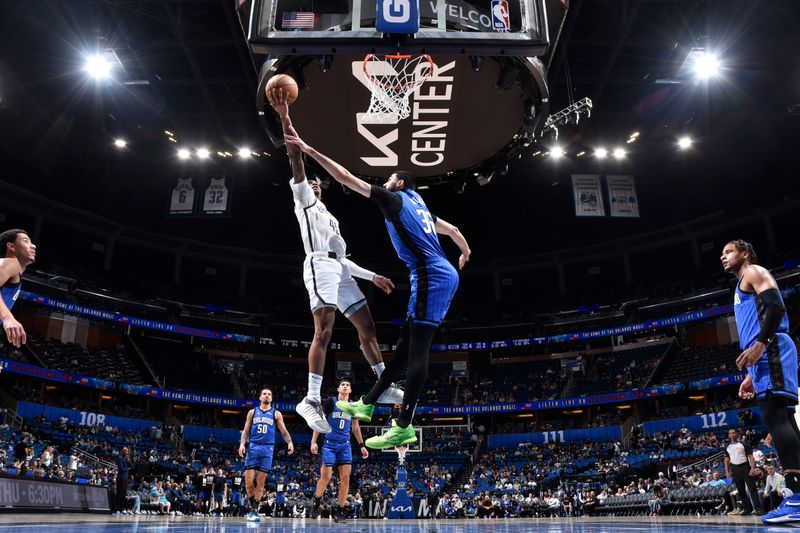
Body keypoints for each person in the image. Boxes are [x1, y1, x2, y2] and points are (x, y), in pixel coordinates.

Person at [284, 123, 471, 449]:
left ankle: (402, 422)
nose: (384, 184)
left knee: (408, 344)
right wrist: (465, 250)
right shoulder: (420, 205)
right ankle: (356, 399)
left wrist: (309, 148)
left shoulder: (390, 200)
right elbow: (453, 229)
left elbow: (346, 178)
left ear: (398, 183)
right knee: (397, 342)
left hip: (427, 274)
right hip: (415, 271)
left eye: (388, 180)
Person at [267, 89, 403, 435]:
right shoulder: (304, 203)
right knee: (324, 330)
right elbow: (296, 160)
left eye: (316, 183)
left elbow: (344, 260)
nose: (312, 183)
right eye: (308, 182)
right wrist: (285, 117)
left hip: (338, 269)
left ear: (322, 190)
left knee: (367, 328)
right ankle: (311, 398)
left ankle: (382, 384)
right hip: (317, 266)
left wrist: (372, 277)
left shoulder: (330, 216)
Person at [721, 240, 800, 523]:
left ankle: (796, 498)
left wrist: (761, 345)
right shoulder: (742, 284)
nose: (723, 257)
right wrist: (750, 376)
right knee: (784, 419)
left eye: (728, 251)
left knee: (777, 418)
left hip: (772, 347)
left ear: (744, 254)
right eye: (722, 254)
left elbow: (776, 307)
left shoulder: (753, 271)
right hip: (767, 353)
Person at [310, 379, 369, 523]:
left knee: (345, 479)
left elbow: (355, 427)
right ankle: (316, 500)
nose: (345, 386)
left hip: (345, 445)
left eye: (348, 385)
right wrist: (313, 441)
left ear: (350, 390)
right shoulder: (331, 402)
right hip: (329, 444)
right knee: (326, 477)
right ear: (338, 389)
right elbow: (319, 421)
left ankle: (340, 509)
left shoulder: (353, 406)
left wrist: (361, 445)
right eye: (343, 384)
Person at [238, 388, 294, 522]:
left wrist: (290, 442)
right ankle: (252, 505)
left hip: (267, 449)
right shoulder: (252, 412)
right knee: (249, 481)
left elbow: (283, 431)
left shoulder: (276, 414)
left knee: (261, 481)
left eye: (269, 394)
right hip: (253, 447)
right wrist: (241, 444)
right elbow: (245, 431)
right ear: (260, 397)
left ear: (271, 398)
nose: (267, 396)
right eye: (264, 394)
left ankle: (253, 511)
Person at [0, 229, 36, 348]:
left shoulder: (12, 272)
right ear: (11, 246)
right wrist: (8, 317)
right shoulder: (11, 263)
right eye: (26, 241)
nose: (33, 246)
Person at [724, 429, 762, 515]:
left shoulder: (743, 444)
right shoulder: (727, 446)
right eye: (731, 433)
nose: (733, 434)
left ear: (737, 434)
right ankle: (747, 509)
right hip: (734, 468)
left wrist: (752, 468)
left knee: (752, 489)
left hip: (745, 467)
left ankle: (758, 509)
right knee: (741, 491)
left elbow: (751, 457)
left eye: (734, 433)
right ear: (729, 435)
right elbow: (726, 460)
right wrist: (727, 472)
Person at [113, 447, 132, 515]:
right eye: (126, 451)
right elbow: (121, 468)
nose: (127, 452)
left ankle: (121, 509)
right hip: (121, 477)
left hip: (126, 478)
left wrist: (128, 461)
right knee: (119, 494)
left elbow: (132, 467)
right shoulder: (120, 458)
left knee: (124, 494)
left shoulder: (126, 459)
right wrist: (128, 468)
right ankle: (116, 509)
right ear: (123, 451)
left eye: (127, 451)